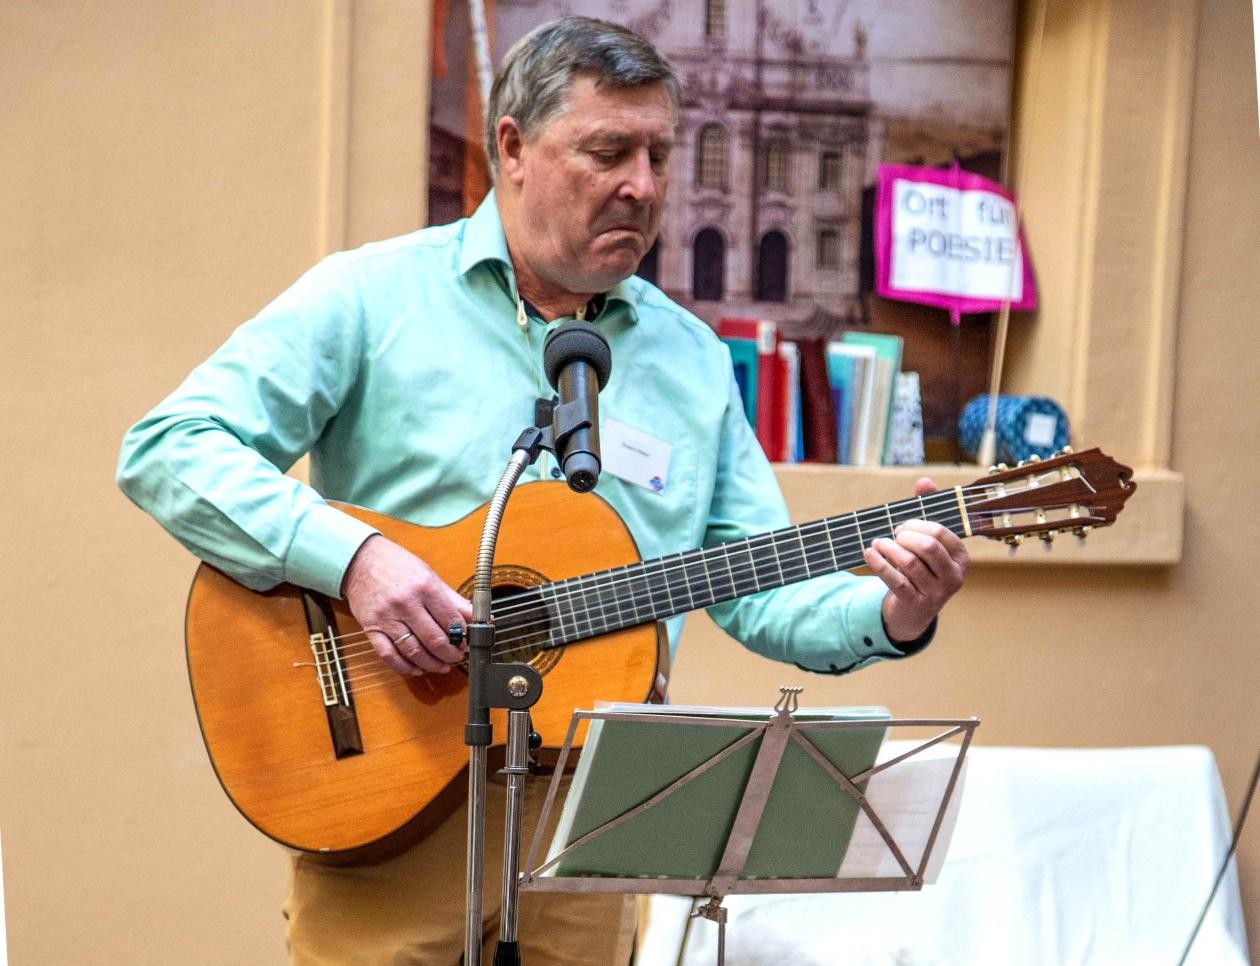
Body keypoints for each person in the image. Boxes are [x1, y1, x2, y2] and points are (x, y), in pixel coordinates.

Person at [117, 15, 969, 965]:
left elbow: (754, 583)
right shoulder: (369, 297)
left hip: (597, 822)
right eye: (608, 150)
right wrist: (354, 559)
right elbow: (169, 445)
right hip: (388, 789)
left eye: (659, 153)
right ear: (513, 148)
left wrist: (891, 611)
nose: (642, 186)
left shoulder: (689, 357)